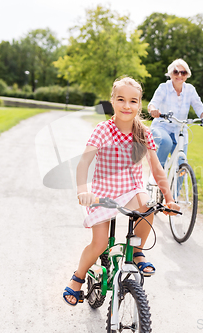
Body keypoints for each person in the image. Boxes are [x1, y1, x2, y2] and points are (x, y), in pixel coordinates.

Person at [63, 76, 180, 307]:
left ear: (139, 104)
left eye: (133, 101)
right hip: (103, 192)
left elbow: (156, 169)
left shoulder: (144, 133)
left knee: (148, 206)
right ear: (113, 101)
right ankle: (77, 278)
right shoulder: (104, 129)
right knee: (100, 244)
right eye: (121, 99)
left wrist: (169, 198)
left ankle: (136, 251)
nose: (127, 106)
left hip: (131, 190)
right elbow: (83, 163)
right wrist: (82, 190)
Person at [147, 58, 203, 182]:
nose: (179, 75)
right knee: (166, 142)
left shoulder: (190, 90)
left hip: (180, 130)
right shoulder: (163, 87)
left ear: (187, 75)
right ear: (170, 74)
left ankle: (174, 199)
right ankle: (156, 175)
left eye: (183, 72)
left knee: (182, 165)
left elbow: (199, 107)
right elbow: (152, 104)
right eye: (176, 72)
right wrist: (153, 110)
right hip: (160, 127)